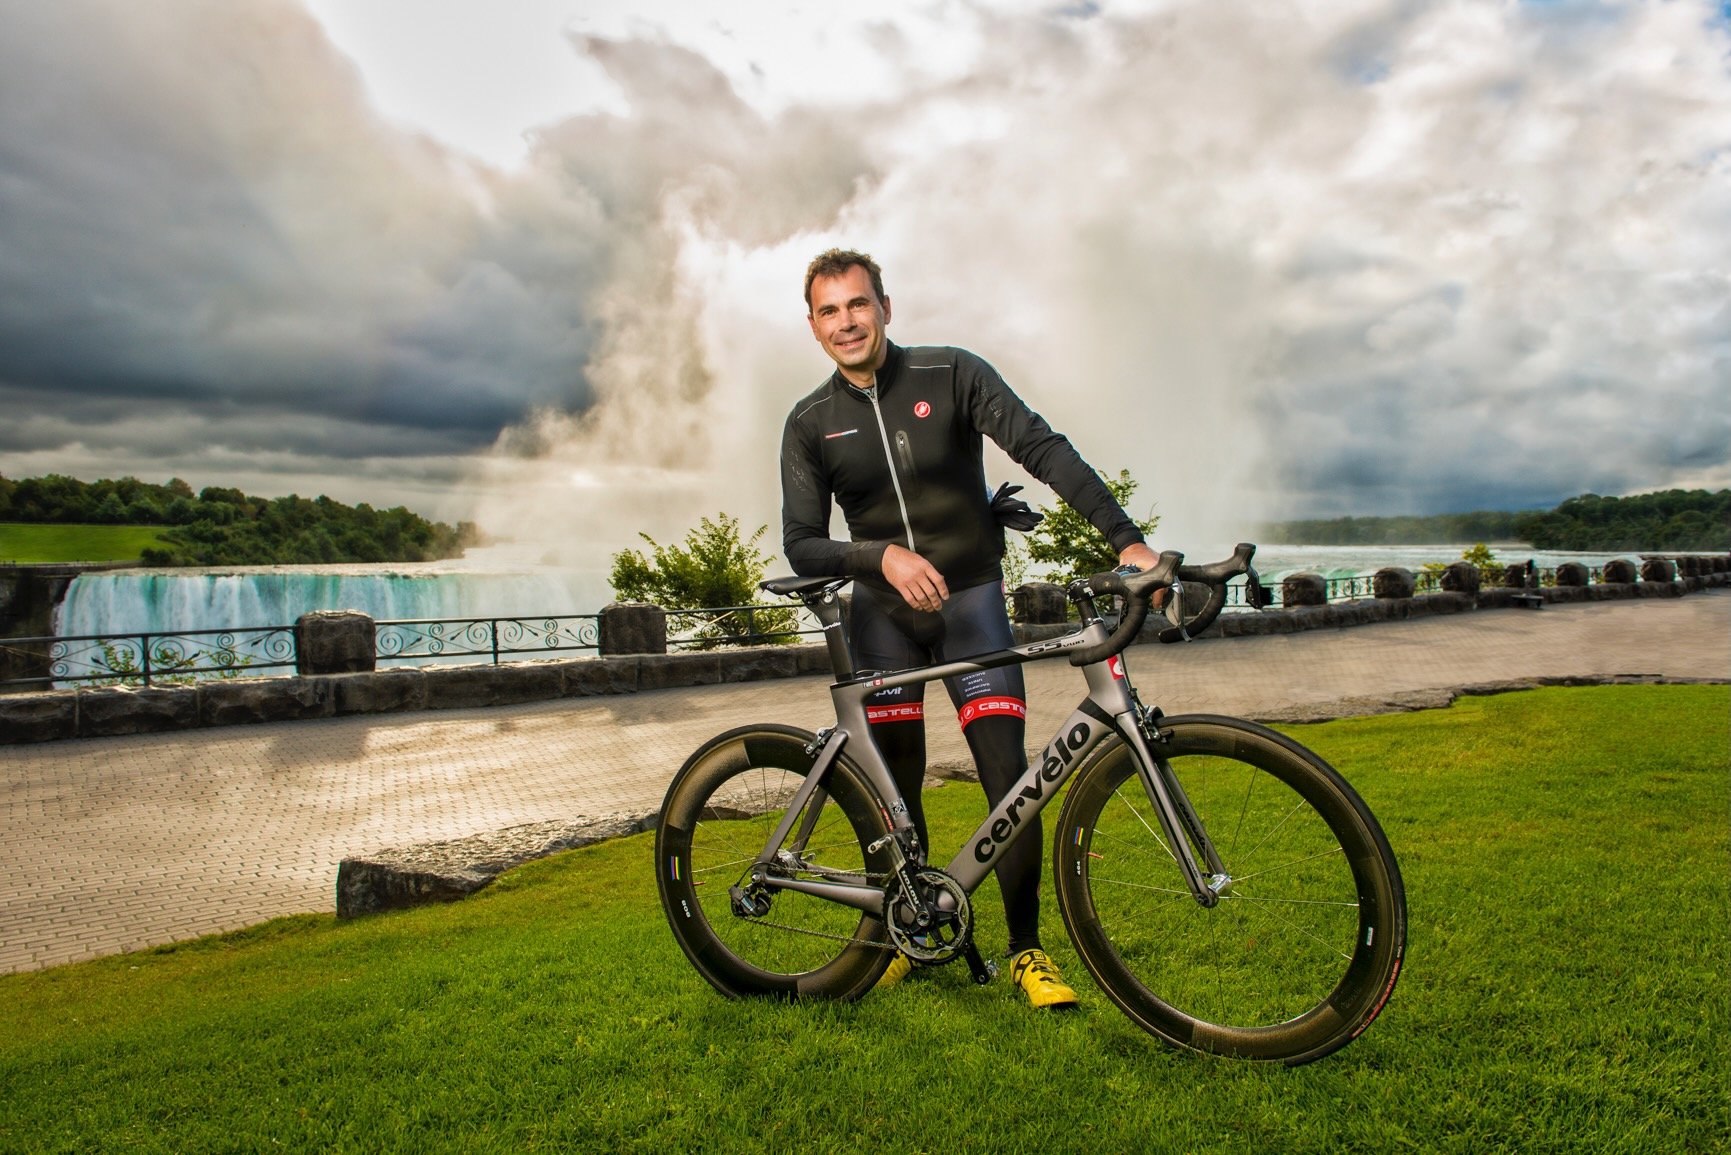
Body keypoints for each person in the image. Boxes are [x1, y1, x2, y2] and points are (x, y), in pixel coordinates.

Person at [779, 248, 1161, 1009]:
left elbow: (1039, 447)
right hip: (881, 621)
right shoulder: (810, 423)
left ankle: (1027, 951)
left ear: (885, 306)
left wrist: (1127, 541)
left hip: (972, 605)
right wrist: (879, 556)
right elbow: (800, 540)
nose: (846, 321)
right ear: (814, 324)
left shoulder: (950, 374)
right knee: (898, 795)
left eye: (858, 304)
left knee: (1007, 782)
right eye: (829, 310)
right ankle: (914, 937)